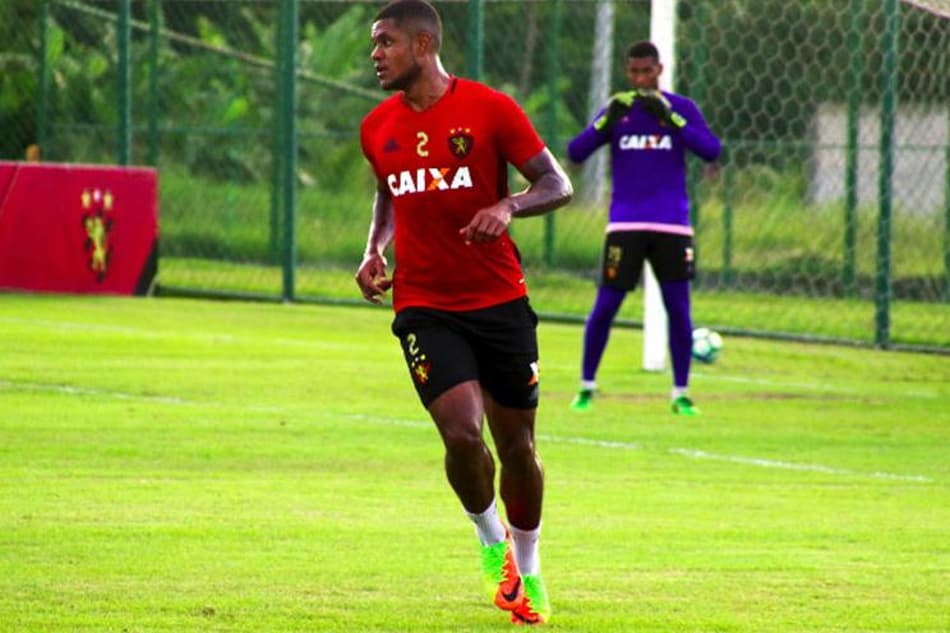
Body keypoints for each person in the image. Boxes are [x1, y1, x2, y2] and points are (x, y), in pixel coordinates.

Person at [355, 0, 573, 625]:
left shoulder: (490, 109)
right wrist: (374, 249)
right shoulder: (376, 127)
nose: (376, 54)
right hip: (425, 306)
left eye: (386, 42)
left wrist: (508, 207)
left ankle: (529, 568)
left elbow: (557, 184)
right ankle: (492, 547)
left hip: (501, 301)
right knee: (459, 431)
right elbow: (388, 194)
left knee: (519, 447)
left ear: (423, 45)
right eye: (375, 44)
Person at [566, 41, 721, 416]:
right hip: (625, 224)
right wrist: (603, 121)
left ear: (659, 70)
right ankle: (587, 387)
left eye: (646, 72)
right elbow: (576, 152)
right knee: (606, 306)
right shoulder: (618, 113)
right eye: (633, 72)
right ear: (627, 72)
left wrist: (672, 120)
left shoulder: (679, 109)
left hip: (672, 227)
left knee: (678, 310)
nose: (640, 79)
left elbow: (712, 150)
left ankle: (681, 393)